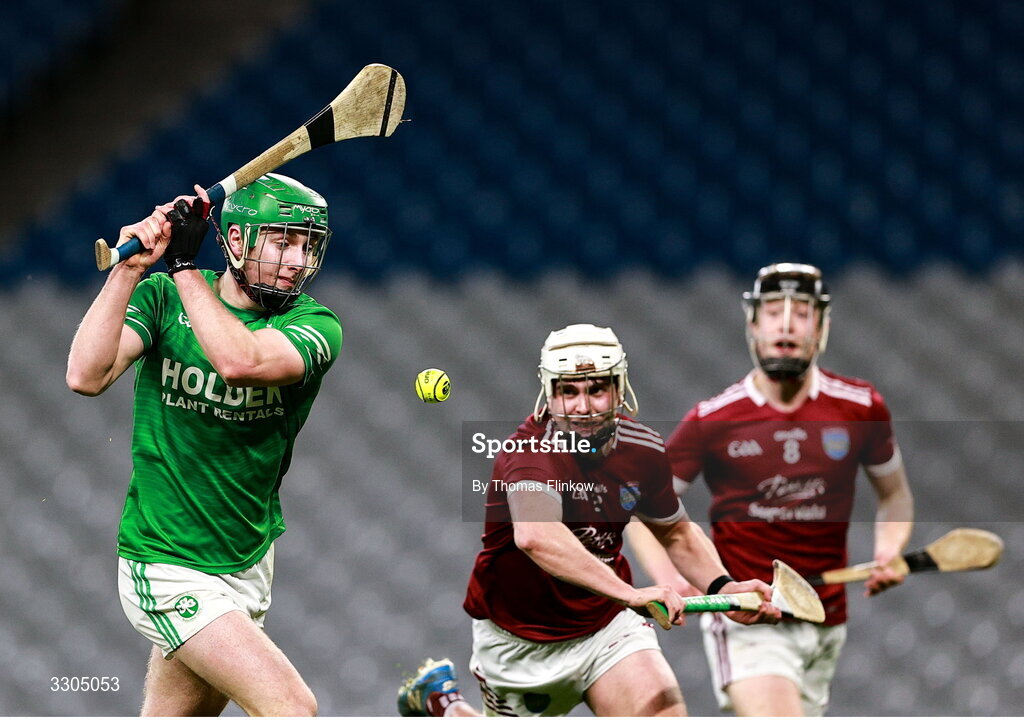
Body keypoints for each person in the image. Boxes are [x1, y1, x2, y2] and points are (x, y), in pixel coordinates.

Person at [397, 323, 780, 717]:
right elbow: (537, 537)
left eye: (596, 389)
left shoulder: (643, 450)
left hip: (607, 628)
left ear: (619, 389)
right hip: (521, 642)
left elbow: (676, 532)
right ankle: (443, 701)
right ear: (549, 394)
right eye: (569, 391)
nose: (583, 407)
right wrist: (631, 594)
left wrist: (725, 586)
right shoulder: (528, 453)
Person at [66, 173, 341, 716]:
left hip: (246, 560)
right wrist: (128, 272)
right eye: (282, 240)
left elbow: (241, 362)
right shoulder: (164, 298)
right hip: (166, 562)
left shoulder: (315, 325)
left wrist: (186, 267)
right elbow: (85, 374)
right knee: (291, 708)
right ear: (236, 241)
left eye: (307, 244)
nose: (297, 259)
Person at [625, 262, 915, 716]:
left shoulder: (861, 407)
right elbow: (644, 511)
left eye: (800, 311)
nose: (785, 323)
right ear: (753, 324)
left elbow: (895, 495)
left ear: (822, 325)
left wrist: (888, 550)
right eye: (772, 311)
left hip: (826, 618)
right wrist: (670, 575)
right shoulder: (713, 419)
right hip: (748, 615)